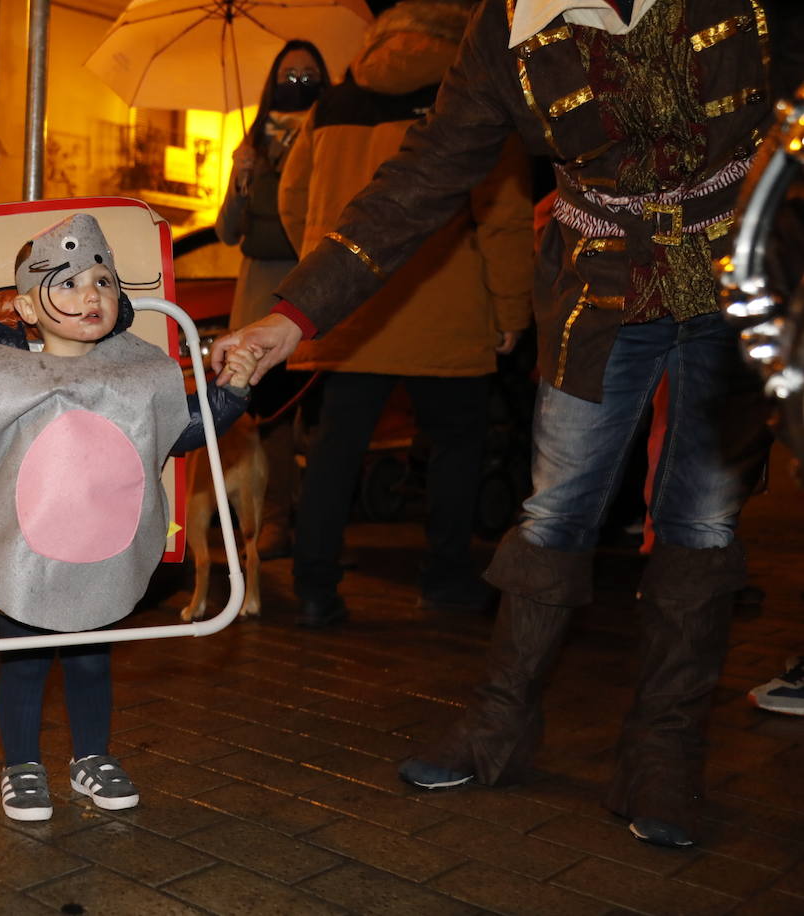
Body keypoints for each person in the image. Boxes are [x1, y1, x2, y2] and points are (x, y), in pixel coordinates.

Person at [212, 0, 804, 849]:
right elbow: (423, 178)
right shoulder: (507, 28)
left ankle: (665, 749)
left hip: (736, 277)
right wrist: (291, 319)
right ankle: (498, 725)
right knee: (555, 512)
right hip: (595, 293)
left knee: (702, 521)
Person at [0, 213, 259, 821]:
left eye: (103, 281)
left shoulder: (139, 375)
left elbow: (183, 427)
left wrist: (230, 393)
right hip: (24, 552)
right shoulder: (0, 376)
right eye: (65, 283)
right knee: (25, 661)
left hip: (104, 548)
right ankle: (21, 766)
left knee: (93, 659)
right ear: (26, 307)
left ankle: (91, 757)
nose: (89, 295)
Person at [277, 0, 532, 626]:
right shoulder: (474, 94)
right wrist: (510, 307)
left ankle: (314, 587)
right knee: (456, 446)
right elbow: (503, 217)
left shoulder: (332, 104)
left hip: (355, 307)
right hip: (447, 301)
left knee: (338, 447)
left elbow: (293, 200)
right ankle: (445, 577)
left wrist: (326, 274)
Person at [214, 39, 329, 559]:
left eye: (308, 76)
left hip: (316, 289)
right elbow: (226, 232)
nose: (298, 84)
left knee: (316, 414)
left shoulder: (327, 133)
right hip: (259, 293)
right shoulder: (252, 144)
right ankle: (275, 521)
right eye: (289, 75)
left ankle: (319, 522)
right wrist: (239, 180)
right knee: (269, 416)